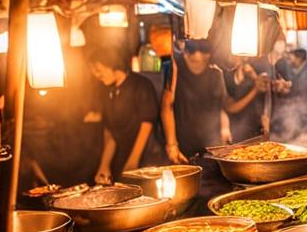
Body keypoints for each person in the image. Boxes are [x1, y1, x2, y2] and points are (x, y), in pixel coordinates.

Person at [161, 40, 261, 164]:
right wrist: (171, 145)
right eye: (192, 50)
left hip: (211, 147)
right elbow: (167, 105)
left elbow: (228, 106)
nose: (197, 55)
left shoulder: (216, 74)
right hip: (182, 147)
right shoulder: (175, 68)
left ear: (209, 54)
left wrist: (255, 90)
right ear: (185, 52)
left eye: (203, 49)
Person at [88, 48, 163, 181]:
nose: (96, 75)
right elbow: (110, 132)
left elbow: (147, 125)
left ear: (111, 64)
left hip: (148, 159)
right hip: (122, 159)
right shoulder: (106, 90)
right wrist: (104, 165)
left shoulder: (141, 85)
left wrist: (133, 161)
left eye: (98, 70)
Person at [224, 55, 265, 142]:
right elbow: (231, 108)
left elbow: (265, 88)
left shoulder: (253, 70)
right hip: (236, 130)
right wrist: (255, 90)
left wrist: (255, 78)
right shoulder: (226, 76)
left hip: (255, 128)